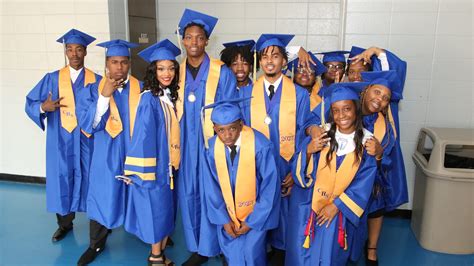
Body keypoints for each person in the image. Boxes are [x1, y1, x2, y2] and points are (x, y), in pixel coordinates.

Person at [286, 84, 377, 266]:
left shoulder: (367, 143)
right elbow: (299, 170)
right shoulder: (322, 135)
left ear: (356, 111)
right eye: (336, 110)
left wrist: (337, 206)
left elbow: (363, 184)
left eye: (347, 109)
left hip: (338, 211)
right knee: (301, 253)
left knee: (330, 254)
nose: (341, 115)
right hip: (308, 206)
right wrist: (309, 151)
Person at [239, 33, 310, 265]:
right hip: (256, 167)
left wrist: (295, 169)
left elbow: (302, 133)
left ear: (284, 62)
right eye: (265, 56)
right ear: (260, 61)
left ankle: (280, 253)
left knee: (284, 215)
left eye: (276, 56)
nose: (270, 61)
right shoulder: (246, 94)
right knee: (258, 208)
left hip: (286, 167)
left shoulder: (299, 94)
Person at [175, 9, 238, 265]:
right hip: (183, 144)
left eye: (199, 38)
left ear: (206, 41)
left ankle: (222, 244)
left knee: (217, 193)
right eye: (188, 37)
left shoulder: (221, 72)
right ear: (183, 40)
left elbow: (232, 108)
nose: (193, 42)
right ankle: (199, 247)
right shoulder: (173, 72)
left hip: (213, 143)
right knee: (189, 192)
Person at [25, 29, 100, 242]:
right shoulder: (52, 79)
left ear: (85, 52)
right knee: (63, 178)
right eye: (70, 49)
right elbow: (30, 102)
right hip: (61, 141)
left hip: (89, 141)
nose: (74, 54)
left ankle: (100, 221)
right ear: (66, 51)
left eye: (78, 49)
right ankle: (65, 225)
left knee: (93, 179)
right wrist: (43, 107)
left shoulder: (96, 80)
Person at [75, 39, 141, 265]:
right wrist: (104, 96)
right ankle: (96, 243)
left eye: (124, 62)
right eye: (114, 62)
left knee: (142, 192)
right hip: (106, 153)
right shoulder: (92, 90)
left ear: (129, 63)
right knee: (102, 192)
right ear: (106, 64)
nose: (119, 67)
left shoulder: (141, 88)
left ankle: (154, 236)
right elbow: (88, 125)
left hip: (135, 151)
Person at [118, 39, 182, 266]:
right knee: (157, 212)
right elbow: (144, 138)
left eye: (171, 68)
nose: (167, 73)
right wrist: (145, 174)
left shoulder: (167, 96)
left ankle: (160, 254)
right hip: (155, 170)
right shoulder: (149, 99)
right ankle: (156, 257)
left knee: (166, 212)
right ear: (153, 70)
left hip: (169, 168)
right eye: (162, 68)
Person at [202, 99, 280, 265]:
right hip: (228, 214)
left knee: (252, 254)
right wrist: (223, 219)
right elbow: (211, 188)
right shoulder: (210, 149)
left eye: (232, 128)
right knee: (233, 254)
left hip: (256, 214)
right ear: (214, 128)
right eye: (221, 130)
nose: (227, 135)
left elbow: (270, 187)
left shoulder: (260, 145)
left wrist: (252, 221)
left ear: (241, 124)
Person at [357, 70, 408, 266]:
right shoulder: (348, 110)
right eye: (377, 92)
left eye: (386, 98)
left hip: (371, 175)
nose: (380, 99)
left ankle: (372, 248)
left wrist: (378, 154)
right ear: (366, 90)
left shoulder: (385, 125)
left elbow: (387, 159)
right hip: (343, 174)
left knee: (377, 200)